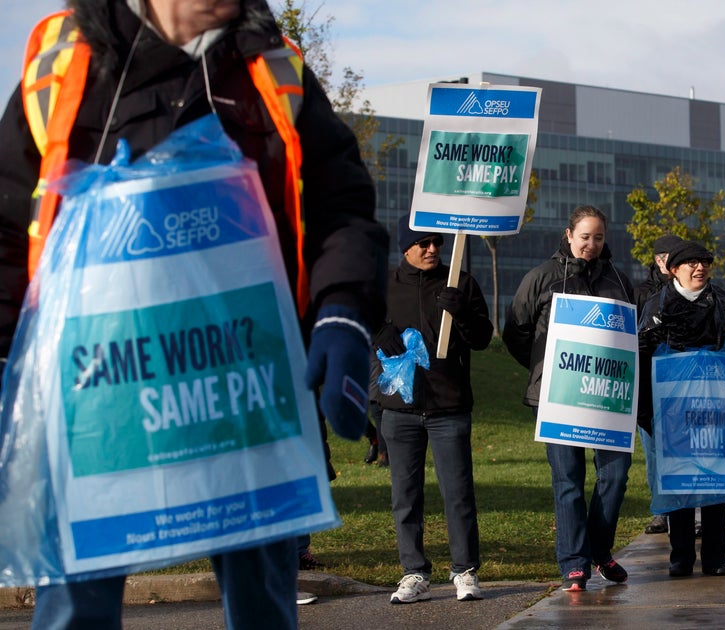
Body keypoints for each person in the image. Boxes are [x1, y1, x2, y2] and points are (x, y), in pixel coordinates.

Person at [0, 0, 389, 627]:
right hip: (97, 396)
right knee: (75, 609)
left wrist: (343, 308)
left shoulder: (271, 68)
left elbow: (340, 201)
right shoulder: (68, 60)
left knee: (263, 603)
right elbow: (8, 221)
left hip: (243, 385)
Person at [503, 205, 637, 592]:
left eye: (598, 237)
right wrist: (544, 372)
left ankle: (599, 549)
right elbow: (516, 331)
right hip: (558, 397)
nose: (591, 244)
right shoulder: (542, 278)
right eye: (584, 237)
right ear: (568, 235)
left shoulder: (620, 281)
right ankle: (574, 563)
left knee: (615, 475)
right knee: (569, 480)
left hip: (608, 399)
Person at [374, 216, 493, 604]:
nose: (431, 249)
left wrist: (462, 313)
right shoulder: (384, 288)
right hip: (400, 410)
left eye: (437, 243)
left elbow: (481, 338)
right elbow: (359, 327)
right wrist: (376, 331)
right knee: (405, 496)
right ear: (405, 248)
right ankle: (413, 573)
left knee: (457, 493)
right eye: (423, 243)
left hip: (448, 406)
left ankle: (465, 571)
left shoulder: (460, 281)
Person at [638, 239, 725, 578]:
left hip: (715, 407)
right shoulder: (658, 305)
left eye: (705, 262)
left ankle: (715, 558)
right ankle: (680, 556)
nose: (700, 268)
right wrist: (646, 411)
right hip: (673, 411)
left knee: (715, 481)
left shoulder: (723, 303)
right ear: (674, 270)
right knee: (678, 481)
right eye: (692, 263)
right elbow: (641, 355)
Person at [635, 232, 681, 535]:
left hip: (678, 383)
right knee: (653, 453)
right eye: (668, 256)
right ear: (658, 259)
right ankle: (661, 510)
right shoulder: (641, 293)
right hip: (649, 383)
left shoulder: (688, 289)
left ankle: (688, 509)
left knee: (681, 452)